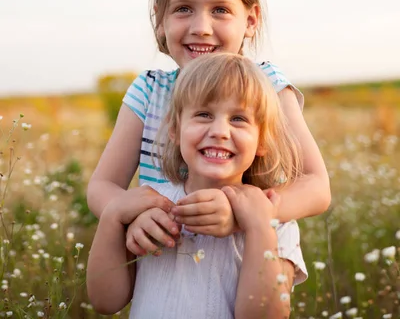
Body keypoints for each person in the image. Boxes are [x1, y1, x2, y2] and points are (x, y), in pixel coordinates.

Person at [87, 0, 330, 252]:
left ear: (251, 20)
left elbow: (316, 185)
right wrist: (133, 213)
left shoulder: (267, 84)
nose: (201, 27)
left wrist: (248, 214)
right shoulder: (149, 90)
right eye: (184, 9)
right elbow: (101, 186)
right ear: (160, 19)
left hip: (250, 265)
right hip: (165, 264)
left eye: (220, 10)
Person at [87, 53, 308, 318]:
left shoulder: (274, 219)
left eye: (238, 119)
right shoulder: (149, 211)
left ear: (262, 140)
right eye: (203, 114)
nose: (220, 131)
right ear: (175, 129)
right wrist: (112, 216)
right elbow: (105, 302)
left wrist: (259, 228)